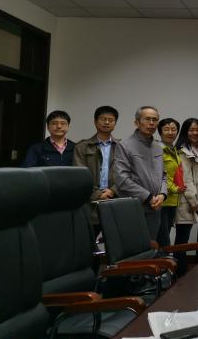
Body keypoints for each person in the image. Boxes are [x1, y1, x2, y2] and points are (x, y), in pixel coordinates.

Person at [114, 106, 167, 240]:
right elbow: (122, 179)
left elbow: (164, 176)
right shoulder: (124, 145)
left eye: (155, 120)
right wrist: (148, 197)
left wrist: (162, 194)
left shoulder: (158, 147)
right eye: (147, 119)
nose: (151, 123)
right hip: (133, 208)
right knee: (134, 248)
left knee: (151, 245)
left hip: (155, 208)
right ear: (137, 122)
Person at [73, 106, 120, 236]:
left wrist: (113, 190)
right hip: (89, 202)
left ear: (115, 123)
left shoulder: (122, 147)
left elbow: (127, 173)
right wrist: (98, 194)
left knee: (115, 243)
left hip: (115, 200)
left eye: (111, 120)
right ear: (95, 121)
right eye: (103, 119)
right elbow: (79, 176)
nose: (107, 122)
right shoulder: (82, 147)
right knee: (87, 242)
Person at [175, 118, 198, 275]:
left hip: (197, 199)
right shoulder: (183, 151)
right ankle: (180, 272)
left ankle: (180, 270)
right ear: (185, 132)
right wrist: (193, 200)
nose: (195, 133)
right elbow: (186, 178)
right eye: (191, 130)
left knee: (185, 237)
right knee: (182, 239)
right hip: (186, 200)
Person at [157, 118, 184, 248]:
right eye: (166, 129)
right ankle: (163, 260)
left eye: (173, 129)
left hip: (173, 200)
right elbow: (159, 175)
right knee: (163, 239)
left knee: (165, 235)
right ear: (160, 132)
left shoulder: (173, 150)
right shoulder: (158, 150)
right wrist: (174, 188)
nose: (170, 132)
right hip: (161, 200)